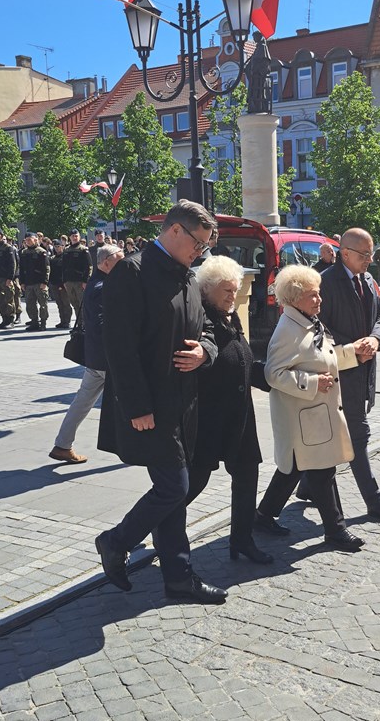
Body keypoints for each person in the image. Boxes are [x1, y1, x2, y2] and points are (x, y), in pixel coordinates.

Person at [95, 200, 227, 604]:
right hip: (150, 406)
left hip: (184, 403)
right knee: (174, 487)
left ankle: (178, 578)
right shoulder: (132, 272)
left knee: (173, 490)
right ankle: (115, 541)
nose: (200, 253)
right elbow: (119, 348)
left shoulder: (187, 276)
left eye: (205, 247)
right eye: (198, 243)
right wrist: (137, 407)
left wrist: (205, 351)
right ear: (175, 231)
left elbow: (208, 328)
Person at [296, 228, 380, 521]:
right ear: (345, 253)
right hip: (338, 375)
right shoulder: (325, 283)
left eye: (371, 254)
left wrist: (375, 339)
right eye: (364, 254)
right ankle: (375, 502)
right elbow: (316, 329)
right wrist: (352, 349)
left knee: (329, 437)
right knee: (358, 435)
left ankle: (303, 486)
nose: (370, 260)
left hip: (363, 372)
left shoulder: (367, 280)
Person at [254, 265, 364, 551]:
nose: (319, 300)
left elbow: (322, 357)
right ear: (294, 299)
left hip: (313, 417)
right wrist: (312, 382)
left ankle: (263, 515)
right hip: (303, 419)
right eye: (312, 295)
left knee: (293, 468)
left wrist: (353, 353)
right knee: (322, 471)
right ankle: (336, 530)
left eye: (319, 293)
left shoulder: (308, 321)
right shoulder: (288, 330)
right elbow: (273, 374)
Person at [186, 256, 272, 564]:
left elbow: (243, 362)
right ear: (206, 290)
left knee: (248, 473)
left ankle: (242, 540)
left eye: (234, 290)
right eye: (226, 290)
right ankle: (161, 527)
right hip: (209, 416)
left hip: (240, 415)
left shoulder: (230, 316)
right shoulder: (201, 319)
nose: (232, 296)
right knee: (193, 481)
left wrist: (278, 379)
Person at [49, 244, 124, 464]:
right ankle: (137, 447)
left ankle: (62, 445)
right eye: (120, 260)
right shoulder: (102, 286)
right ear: (106, 262)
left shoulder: (98, 282)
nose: (124, 264)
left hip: (96, 358)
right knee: (131, 401)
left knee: (82, 402)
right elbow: (103, 325)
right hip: (107, 360)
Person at [19, 233, 50, 331]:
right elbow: (21, 269)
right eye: (26, 240)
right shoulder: (24, 253)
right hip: (28, 282)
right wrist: (22, 282)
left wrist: (45, 282)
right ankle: (34, 322)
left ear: (35, 240)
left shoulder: (41, 252)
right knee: (30, 304)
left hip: (39, 282)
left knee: (43, 304)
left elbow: (46, 268)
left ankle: (43, 322)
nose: (28, 241)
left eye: (30, 239)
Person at [62, 228, 92, 326]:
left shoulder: (83, 250)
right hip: (69, 281)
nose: (75, 238)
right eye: (73, 236)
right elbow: (64, 267)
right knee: (74, 304)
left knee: (82, 304)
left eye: (76, 236)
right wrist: (64, 281)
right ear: (69, 238)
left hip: (80, 281)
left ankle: (85, 325)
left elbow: (89, 266)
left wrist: (86, 281)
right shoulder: (66, 250)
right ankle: (79, 324)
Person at [48, 240, 73, 328]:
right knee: (59, 304)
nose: (57, 248)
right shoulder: (52, 258)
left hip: (64, 284)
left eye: (58, 246)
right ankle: (62, 320)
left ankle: (67, 321)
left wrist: (63, 283)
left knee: (66, 303)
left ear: (62, 247)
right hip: (54, 283)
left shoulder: (66, 257)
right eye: (55, 247)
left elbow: (67, 271)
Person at [0, 227, 16, 329]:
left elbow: (12, 264)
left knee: (9, 299)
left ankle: (10, 320)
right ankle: (4, 319)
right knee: (0, 300)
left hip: (5, 278)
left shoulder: (7, 248)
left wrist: (10, 278)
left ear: (0, 236)